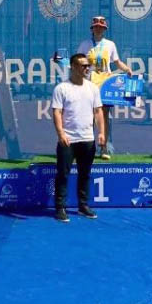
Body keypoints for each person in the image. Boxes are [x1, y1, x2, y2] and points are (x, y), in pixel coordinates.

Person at [51, 53, 106, 222]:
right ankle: (60, 207)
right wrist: (61, 133)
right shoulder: (61, 88)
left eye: (88, 65)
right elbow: (57, 112)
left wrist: (102, 132)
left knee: (85, 174)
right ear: (73, 67)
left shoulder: (93, 88)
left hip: (88, 139)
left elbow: (98, 111)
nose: (87, 68)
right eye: (83, 65)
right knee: (63, 174)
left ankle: (83, 206)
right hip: (68, 140)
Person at [76, 15, 132, 160]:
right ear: (92, 29)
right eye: (96, 27)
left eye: (101, 27)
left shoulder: (110, 44)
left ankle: (103, 147)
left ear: (105, 29)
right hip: (89, 85)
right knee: (88, 117)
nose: (98, 29)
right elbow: (77, 62)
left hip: (105, 85)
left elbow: (117, 62)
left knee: (104, 117)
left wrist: (127, 69)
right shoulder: (85, 44)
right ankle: (87, 148)